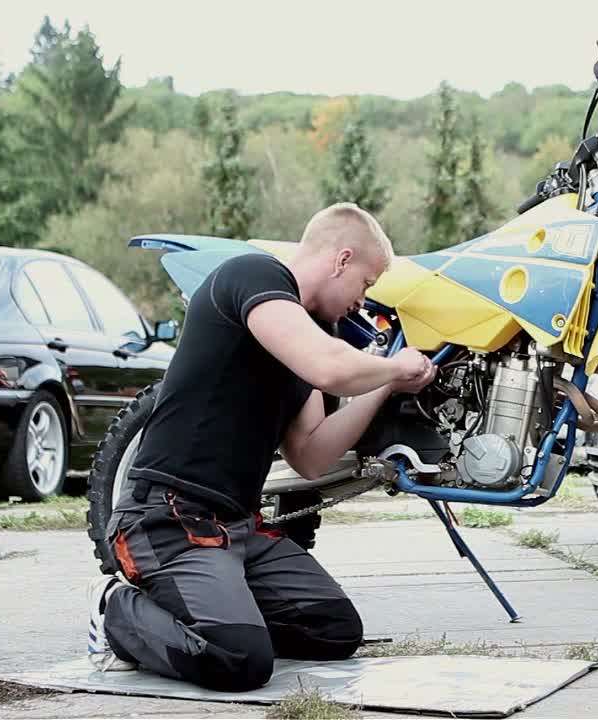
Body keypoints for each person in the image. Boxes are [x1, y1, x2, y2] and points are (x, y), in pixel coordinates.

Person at [86, 203, 436, 691]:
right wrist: (396, 365)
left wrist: (386, 387)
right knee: (239, 659)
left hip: (237, 526)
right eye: (366, 283)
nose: (362, 301)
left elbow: (310, 455)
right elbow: (330, 367)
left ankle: (219, 608)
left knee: (333, 630)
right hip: (168, 518)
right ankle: (115, 610)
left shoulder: (315, 335)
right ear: (341, 259)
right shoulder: (252, 277)